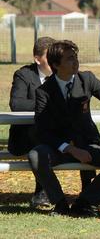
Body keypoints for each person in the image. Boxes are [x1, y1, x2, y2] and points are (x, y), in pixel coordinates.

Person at [27, 40, 100, 217]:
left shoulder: (87, 79)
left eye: (75, 57)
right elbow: (42, 131)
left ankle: (85, 203)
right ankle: (60, 204)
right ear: (55, 65)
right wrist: (70, 149)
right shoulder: (44, 91)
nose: (75, 62)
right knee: (35, 155)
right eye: (69, 59)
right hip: (59, 147)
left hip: (89, 144)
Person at [8, 36, 55, 208]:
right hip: (24, 137)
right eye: (49, 57)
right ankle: (42, 191)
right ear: (37, 58)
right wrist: (47, 105)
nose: (54, 62)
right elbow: (16, 104)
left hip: (55, 137)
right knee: (39, 134)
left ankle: (87, 195)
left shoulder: (62, 75)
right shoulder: (23, 75)